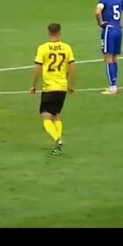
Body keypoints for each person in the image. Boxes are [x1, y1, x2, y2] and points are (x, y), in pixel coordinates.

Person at [31, 23, 76, 155]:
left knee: (45, 115)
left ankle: (58, 139)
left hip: (49, 87)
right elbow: (72, 67)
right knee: (55, 115)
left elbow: (38, 68)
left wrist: (33, 85)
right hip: (62, 87)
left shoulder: (43, 48)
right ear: (59, 32)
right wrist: (71, 85)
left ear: (49, 32)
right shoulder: (66, 48)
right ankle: (59, 139)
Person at [95, 0, 123, 95]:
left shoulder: (103, 0)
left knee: (108, 58)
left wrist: (100, 22)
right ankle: (114, 85)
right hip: (118, 30)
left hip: (109, 30)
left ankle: (112, 87)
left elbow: (97, 12)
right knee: (115, 57)